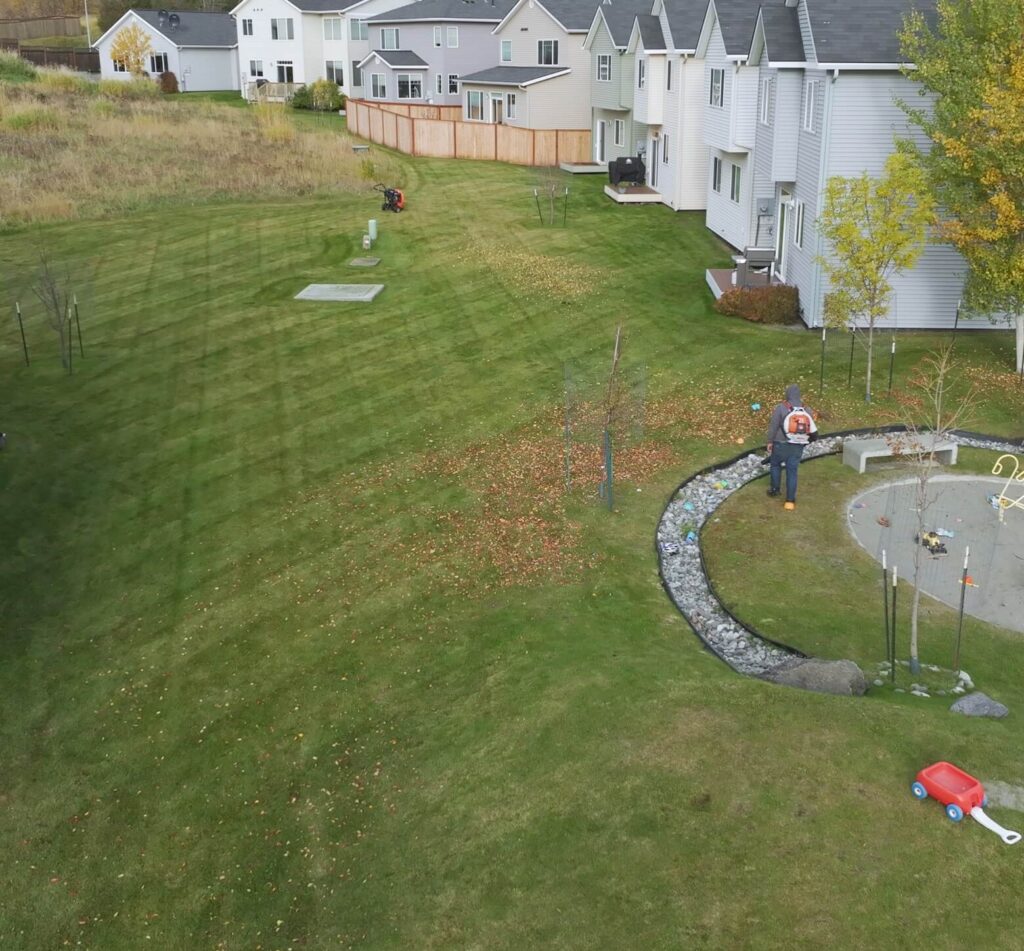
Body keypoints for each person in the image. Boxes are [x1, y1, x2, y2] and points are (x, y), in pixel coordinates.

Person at [765, 384, 818, 510]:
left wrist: (769, 441)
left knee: (775, 465)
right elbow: (810, 430)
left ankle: (775, 489)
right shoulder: (807, 409)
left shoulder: (781, 408)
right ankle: (790, 500)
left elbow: (773, 426)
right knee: (792, 471)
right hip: (797, 446)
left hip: (780, 443)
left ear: (787, 394)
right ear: (799, 395)